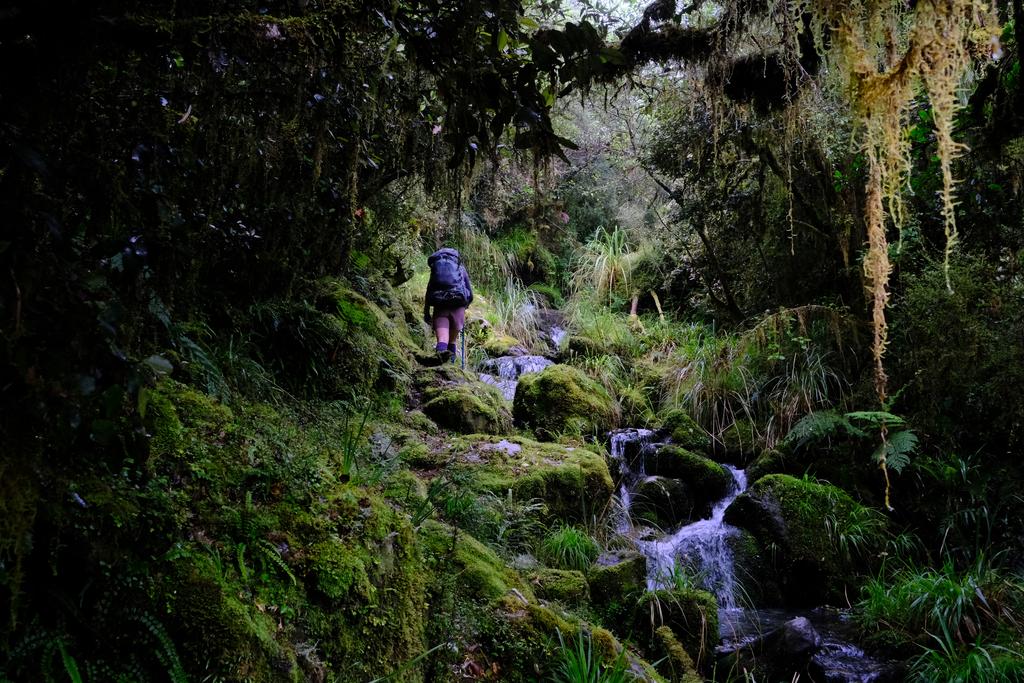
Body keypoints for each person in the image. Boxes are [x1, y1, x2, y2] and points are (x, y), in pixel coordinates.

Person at [423, 247, 473, 362]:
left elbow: (429, 290)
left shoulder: (436, 269)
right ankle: (450, 368)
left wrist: (426, 312)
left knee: (442, 340)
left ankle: (440, 370)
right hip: (458, 309)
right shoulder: (460, 268)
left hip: (440, 307)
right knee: (452, 341)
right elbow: (470, 294)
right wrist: (464, 306)